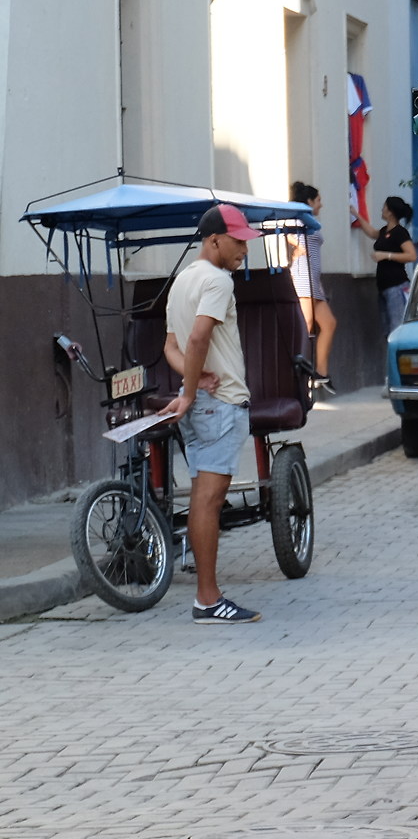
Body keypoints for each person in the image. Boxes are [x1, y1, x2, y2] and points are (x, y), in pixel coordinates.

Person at [158, 205, 267, 624]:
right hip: (220, 404)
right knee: (208, 500)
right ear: (214, 240)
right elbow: (198, 337)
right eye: (238, 241)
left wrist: (192, 380)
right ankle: (208, 598)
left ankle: (208, 597)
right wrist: (190, 390)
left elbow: (171, 346)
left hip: (204, 401)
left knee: (203, 498)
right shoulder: (218, 281)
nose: (244, 249)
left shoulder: (183, 280)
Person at [287, 182, 334, 392]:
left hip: (314, 280)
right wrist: (297, 247)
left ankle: (321, 373)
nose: (321, 204)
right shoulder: (296, 219)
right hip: (303, 278)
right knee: (305, 325)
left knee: (329, 323)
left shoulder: (309, 220)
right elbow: (284, 232)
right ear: (309, 201)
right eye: (318, 200)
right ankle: (294, 372)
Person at [371, 196, 417, 334]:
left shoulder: (400, 232)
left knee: (397, 329)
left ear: (390, 212)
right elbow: (372, 232)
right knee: (388, 330)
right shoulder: (384, 231)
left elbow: (412, 255)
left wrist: (387, 255)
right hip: (384, 288)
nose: (382, 210)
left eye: (384, 207)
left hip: (397, 287)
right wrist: (356, 214)